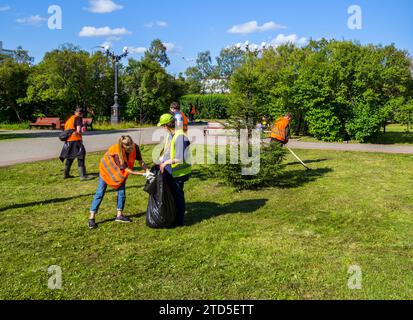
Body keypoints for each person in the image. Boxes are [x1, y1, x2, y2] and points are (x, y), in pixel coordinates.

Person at [88, 136, 148, 229]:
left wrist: (147, 170)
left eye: (131, 146)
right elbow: (127, 169)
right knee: (100, 192)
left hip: (120, 174)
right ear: (123, 146)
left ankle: (119, 215)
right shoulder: (117, 152)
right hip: (107, 171)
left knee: (122, 193)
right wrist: (143, 174)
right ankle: (91, 218)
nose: (131, 149)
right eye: (128, 148)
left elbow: (140, 161)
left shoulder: (135, 147)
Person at [158, 114, 191, 227]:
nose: (163, 128)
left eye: (163, 126)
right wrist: (161, 159)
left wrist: (166, 163)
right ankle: (173, 216)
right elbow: (168, 151)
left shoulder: (180, 137)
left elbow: (180, 158)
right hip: (173, 171)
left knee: (178, 196)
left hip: (179, 172)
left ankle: (179, 221)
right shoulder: (171, 135)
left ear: (167, 125)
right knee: (173, 195)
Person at [60, 107, 91, 181]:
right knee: (81, 155)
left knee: (70, 156)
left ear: (75, 112)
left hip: (68, 140)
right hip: (76, 140)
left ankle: (66, 174)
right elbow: (78, 130)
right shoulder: (78, 118)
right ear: (81, 114)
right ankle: (82, 176)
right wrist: (83, 130)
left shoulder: (70, 119)